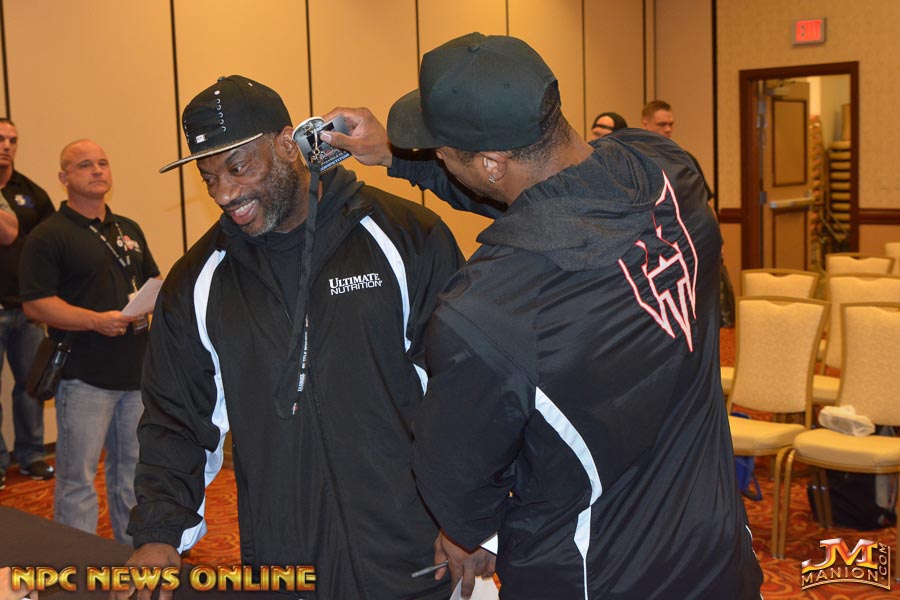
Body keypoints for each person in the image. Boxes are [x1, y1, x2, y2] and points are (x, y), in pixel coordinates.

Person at [322, 32, 763, 598]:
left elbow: (456, 478)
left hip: (596, 577)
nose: (436, 158)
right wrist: (396, 155)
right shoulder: (669, 170)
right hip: (718, 553)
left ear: (490, 162)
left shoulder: (490, 310)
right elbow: (547, 198)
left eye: (440, 151)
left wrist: (468, 532)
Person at [119, 75, 465, 600]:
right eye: (209, 178)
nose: (224, 193)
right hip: (287, 564)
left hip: (417, 553)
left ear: (286, 144)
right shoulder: (197, 282)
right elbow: (176, 417)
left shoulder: (405, 235)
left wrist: (470, 518)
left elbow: (463, 389)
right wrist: (160, 532)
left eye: (238, 168)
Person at [19, 139, 158, 543]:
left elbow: (152, 280)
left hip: (135, 373)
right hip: (83, 378)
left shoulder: (127, 228)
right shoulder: (49, 235)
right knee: (77, 480)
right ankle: (75, 563)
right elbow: (36, 304)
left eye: (102, 162)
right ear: (63, 178)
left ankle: (129, 555)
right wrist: (96, 321)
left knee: (132, 474)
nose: (97, 170)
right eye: (84, 165)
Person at [0, 118, 56, 491]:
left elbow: (51, 245)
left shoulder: (31, 193)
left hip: (27, 309)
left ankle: (32, 455)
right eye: (0, 139)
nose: (7, 146)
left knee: (30, 386)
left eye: (13, 140)